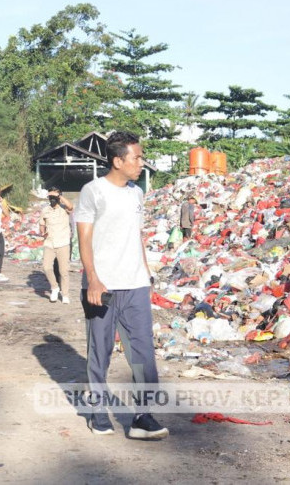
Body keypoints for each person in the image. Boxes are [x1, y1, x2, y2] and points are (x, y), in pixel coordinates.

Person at [76, 131, 168, 439]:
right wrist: (93, 279)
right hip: (103, 286)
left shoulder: (136, 193)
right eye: (137, 157)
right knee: (100, 352)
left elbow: (136, 236)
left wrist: (146, 273)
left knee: (143, 357)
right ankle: (98, 410)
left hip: (136, 285)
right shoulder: (93, 191)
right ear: (118, 161)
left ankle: (142, 416)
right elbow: (84, 239)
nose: (142, 163)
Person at [39, 187, 74, 303]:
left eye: (54, 198)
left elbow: (71, 207)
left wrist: (59, 195)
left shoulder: (64, 208)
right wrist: (43, 232)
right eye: (51, 197)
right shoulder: (45, 210)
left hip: (63, 243)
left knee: (63, 271)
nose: (52, 200)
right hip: (49, 243)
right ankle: (54, 287)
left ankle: (65, 294)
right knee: (46, 267)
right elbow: (42, 224)